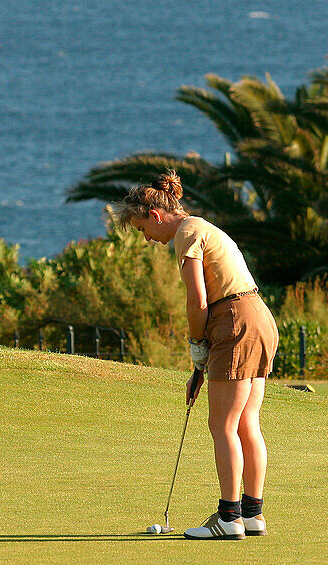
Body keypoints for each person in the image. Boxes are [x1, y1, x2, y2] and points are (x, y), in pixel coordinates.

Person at [111, 170, 278, 540]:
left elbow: (197, 300)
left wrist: (195, 344)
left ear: (154, 216)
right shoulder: (204, 227)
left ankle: (229, 518)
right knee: (247, 423)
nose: (148, 239)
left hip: (233, 322)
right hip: (259, 318)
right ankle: (252, 515)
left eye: (142, 230)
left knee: (222, 426)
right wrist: (200, 365)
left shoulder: (186, 234)